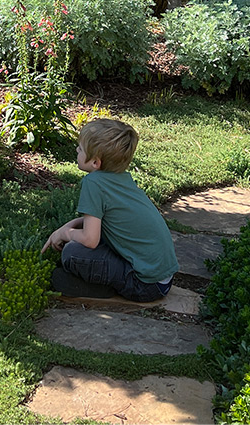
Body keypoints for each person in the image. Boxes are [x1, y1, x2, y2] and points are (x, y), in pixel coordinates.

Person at [41, 118, 179, 301]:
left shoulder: (93, 183)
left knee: (72, 252)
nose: (76, 150)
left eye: (80, 148)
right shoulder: (121, 178)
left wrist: (66, 233)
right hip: (162, 281)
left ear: (96, 163)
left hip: (144, 286)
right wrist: (71, 225)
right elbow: (109, 219)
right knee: (83, 240)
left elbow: (90, 240)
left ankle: (99, 288)